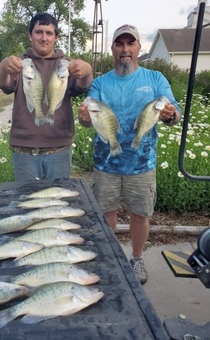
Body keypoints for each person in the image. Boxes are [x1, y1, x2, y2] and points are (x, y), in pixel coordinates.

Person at [78, 24, 182, 284]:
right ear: (112, 48)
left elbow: (174, 110)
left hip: (142, 164)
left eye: (130, 44)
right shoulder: (100, 83)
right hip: (106, 163)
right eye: (119, 44)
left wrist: (171, 115)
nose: (125, 49)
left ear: (138, 47)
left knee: (140, 215)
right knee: (106, 214)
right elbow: (88, 119)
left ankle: (136, 258)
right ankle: (110, 258)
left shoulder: (155, 79)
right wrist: (84, 118)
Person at [0, 12, 93, 181]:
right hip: (23, 147)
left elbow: (81, 86)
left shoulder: (66, 64)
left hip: (60, 146)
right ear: (30, 35)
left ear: (56, 37)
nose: (43, 38)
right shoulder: (20, 63)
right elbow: (1, 83)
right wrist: (3, 67)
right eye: (39, 32)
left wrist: (87, 71)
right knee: (28, 199)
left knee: (58, 198)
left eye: (49, 33)